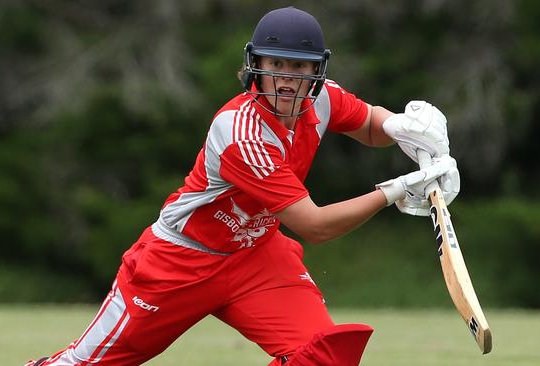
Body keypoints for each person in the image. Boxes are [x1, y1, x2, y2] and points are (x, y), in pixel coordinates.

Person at [26, 6, 460, 366]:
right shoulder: (241, 133)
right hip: (180, 261)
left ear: (317, 69)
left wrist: (406, 127)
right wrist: (398, 189)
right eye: (276, 64)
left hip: (255, 254)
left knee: (323, 357)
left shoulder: (322, 97)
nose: (287, 78)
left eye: (298, 66)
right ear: (257, 65)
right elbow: (314, 226)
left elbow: (368, 124)